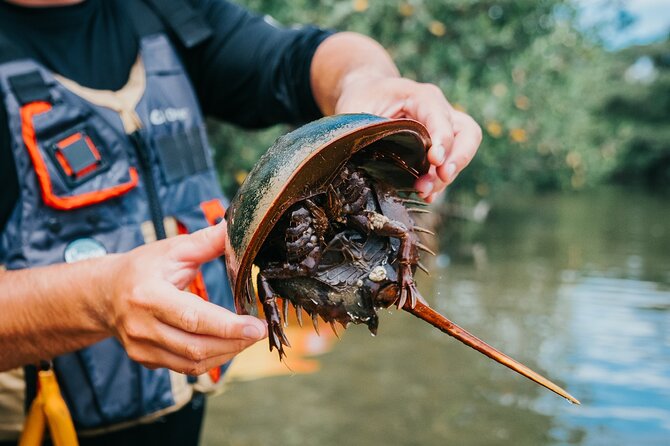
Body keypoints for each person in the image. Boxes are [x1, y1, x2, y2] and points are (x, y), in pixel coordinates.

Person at [0, 0, 482, 444]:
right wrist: (95, 300)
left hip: (186, 416)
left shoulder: (164, 9)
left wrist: (367, 81)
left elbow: (300, 57)